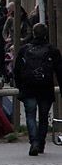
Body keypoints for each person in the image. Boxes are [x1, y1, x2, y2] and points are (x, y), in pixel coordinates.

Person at [13, 23, 62, 156]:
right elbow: (59, 70)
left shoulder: (25, 49)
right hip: (45, 87)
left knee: (30, 115)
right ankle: (41, 143)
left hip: (28, 87)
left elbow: (17, 69)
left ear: (33, 33)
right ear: (46, 34)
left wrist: (19, 85)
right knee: (44, 116)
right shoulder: (52, 50)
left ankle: (33, 141)